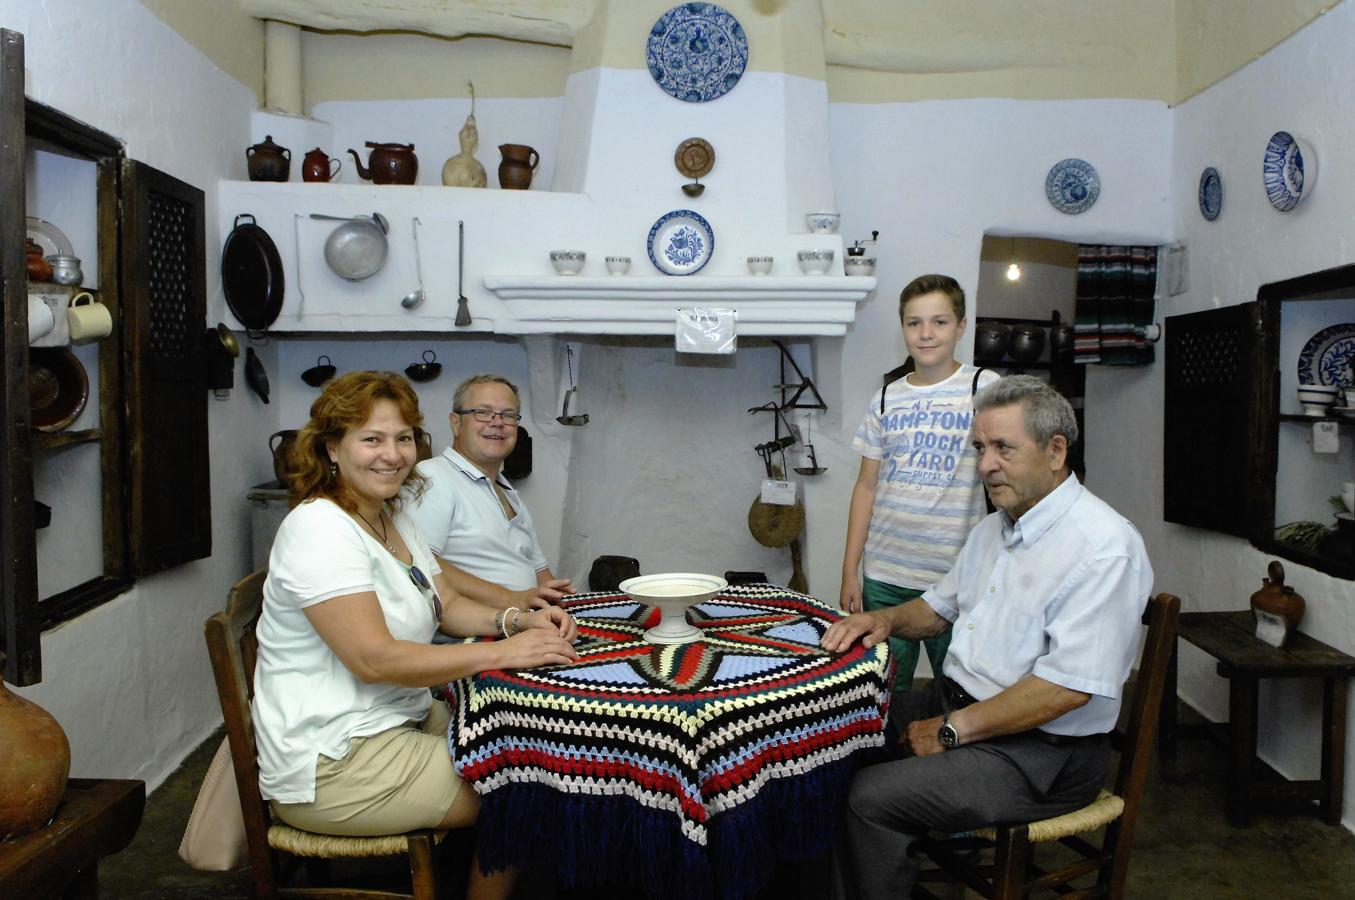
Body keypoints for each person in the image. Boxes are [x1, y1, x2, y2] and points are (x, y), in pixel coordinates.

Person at [822, 375, 1153, 900]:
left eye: (1003, 448)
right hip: (963, 706)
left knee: (868, 796)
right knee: (829, 739)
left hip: (1044, 754)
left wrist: (952, 730)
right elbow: (937, 609)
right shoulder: (994, 528)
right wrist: (883, 621)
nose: (985, 465)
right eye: (980, 448)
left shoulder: (1102, 547)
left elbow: (1067, 688)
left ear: (1055, 451)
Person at [252, 370, 579, 900]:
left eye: (402, 438)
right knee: (529, 786)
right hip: (336, 761)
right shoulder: (319, 529)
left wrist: (519, 621)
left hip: (399, 719)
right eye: (372, 439)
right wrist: (505, 653)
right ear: (332, 447)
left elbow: (443, 601)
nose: (392, 454)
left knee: (538, 738)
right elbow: (374, 660)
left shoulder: (390, 515)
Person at [840, 274, 998, 697]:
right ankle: (889, 763)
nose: (926, 334)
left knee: (962, 691)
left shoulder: (985, 388)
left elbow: (1010, 466)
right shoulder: (887, 397)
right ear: (903, 329)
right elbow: (866, 488)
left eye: (940, 322)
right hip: (886, 575)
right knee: (885, 692)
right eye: (914, 323)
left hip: (958, 574)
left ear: (961, 326)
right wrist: (850, 570)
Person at [407, 374, 571, 610]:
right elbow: (420, 562)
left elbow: (540, 572)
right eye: (482, 412)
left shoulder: (506, 491)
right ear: (456, 423)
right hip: (471, 636)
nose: (497, 422)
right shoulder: (433, 477)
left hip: (523, 623)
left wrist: (560, 606)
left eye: (508, 414)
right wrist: (512, 599)